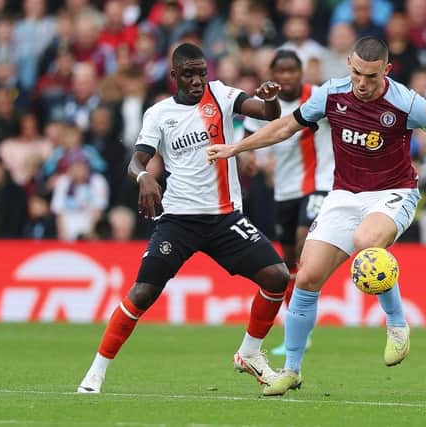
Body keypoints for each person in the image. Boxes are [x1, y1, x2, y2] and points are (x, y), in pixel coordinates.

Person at [208, 37, 426, 396]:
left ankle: (396, 323)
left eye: (371, 77)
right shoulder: (331, 94)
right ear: (348, 64)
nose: (362, 83)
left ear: (386, 71)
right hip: (343, 195)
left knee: (365, 242)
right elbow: (286, 126)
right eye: (357, 73)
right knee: (307, 275)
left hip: (394, 193)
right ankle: (292, 370)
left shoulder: (405, 102)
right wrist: (236, 147)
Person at [77, 43, 290, 394]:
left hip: (224, 218)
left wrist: (268, 99)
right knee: (143, 293)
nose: (197, 80)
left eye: (201, 73)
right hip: (179, 220)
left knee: (277, 276)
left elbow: (268, 114)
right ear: (174, 75)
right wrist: (144, 177)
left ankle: (249, 353)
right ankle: (96, 372)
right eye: (188, 74)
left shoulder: (221, 95)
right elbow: (136, 161)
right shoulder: (159, 114)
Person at [242, 50, 334, 356]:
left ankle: (303, 324)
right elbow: (248, 138)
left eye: (292, 70)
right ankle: (297, 329)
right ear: (272, 73)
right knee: (289, 262)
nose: (286, 77)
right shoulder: (269, 106)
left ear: (300, 72)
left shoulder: (318, 96)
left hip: (320, 184)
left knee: (303, 241)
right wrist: (247, 158)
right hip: (284, 190)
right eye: (280, 71)